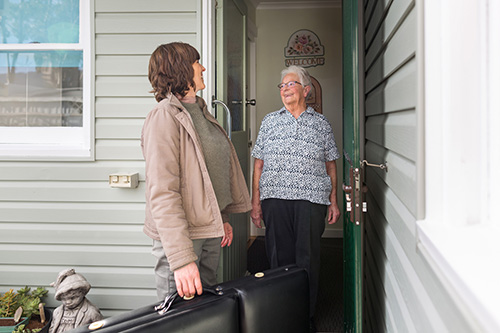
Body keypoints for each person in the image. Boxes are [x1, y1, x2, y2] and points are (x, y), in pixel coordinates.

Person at [142, 42, 251, 301]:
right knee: (180, 319)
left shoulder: (201, 112)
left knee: (205, 312)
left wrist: (221, 217)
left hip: (208, 231)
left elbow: (209, 174)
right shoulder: (164, 117)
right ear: (179, 70)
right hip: (182, 238)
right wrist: (181, 259)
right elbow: (163, 192)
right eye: (196, 63)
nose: (202, 68)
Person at [250, 65, 340, 328]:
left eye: (291, 84)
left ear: (306, 90)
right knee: (279, 260)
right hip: (275, 198)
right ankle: (281, 315)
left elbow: (331, 164)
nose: (286, 89)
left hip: (311, 200)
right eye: (282, 86)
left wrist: (333, 199)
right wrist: (256, 203)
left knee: (307, 260)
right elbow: (258, 165)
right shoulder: (269, 121)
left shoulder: (321, 123)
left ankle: (305, 316)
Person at [49, 269, 103, 333]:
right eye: (64, 299)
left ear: (82, 293)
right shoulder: (57, 312)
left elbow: (101, 329)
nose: (68, 302)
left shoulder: (91, 312)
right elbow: (52, 328)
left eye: (73, 298)